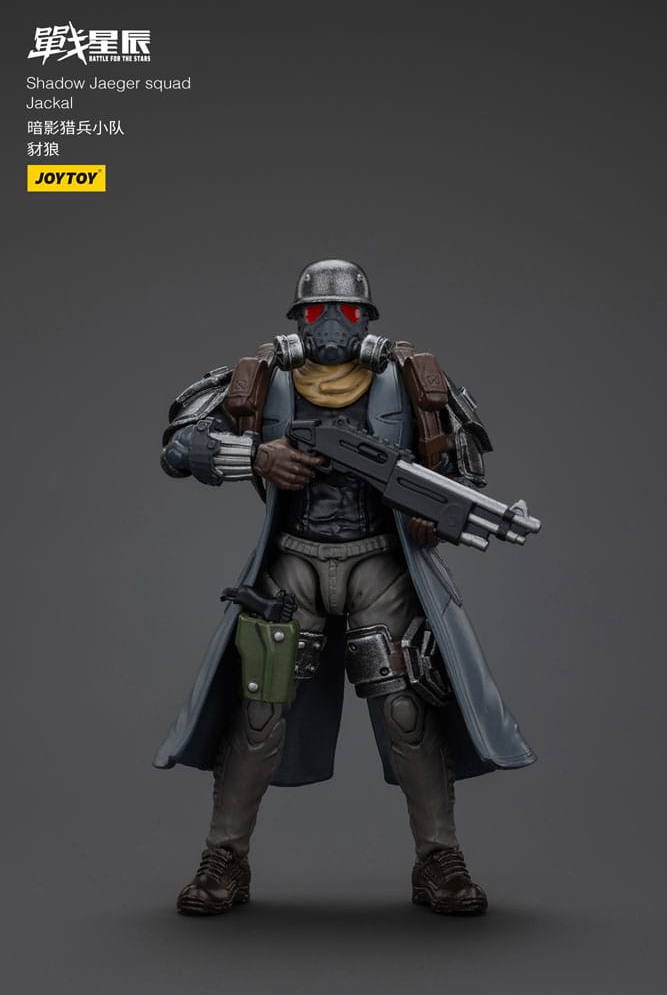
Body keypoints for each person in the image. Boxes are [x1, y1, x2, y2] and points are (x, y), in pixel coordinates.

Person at [155, 258, 535, 916]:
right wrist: (257, 455)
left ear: (367, 320)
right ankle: (224, 858)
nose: (331, 325)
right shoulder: (262, 377)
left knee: (406, 711)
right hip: (292, 563)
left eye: (349, 313)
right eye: (316, 313)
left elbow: (465, 472)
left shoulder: (410, 380)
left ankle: (438, 859)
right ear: (297, 320)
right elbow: (177, 447)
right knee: (259, 711)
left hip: (378, 563)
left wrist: (434, 510)